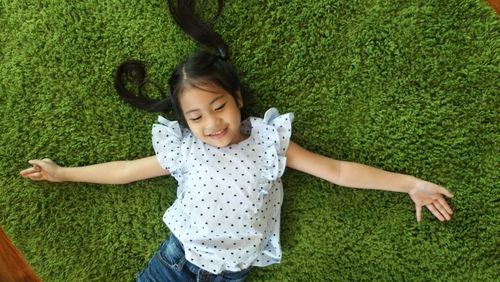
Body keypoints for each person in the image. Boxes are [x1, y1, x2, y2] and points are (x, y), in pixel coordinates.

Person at [20, 0, 454, 281]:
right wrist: (63, 174)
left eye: (219, 107)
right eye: (195, 116)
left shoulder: (268, 142)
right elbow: (126, 171)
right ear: (185, 122)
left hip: (233, 273)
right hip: (175, 262)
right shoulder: (186, 149)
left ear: (238, 99)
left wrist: (409, 184)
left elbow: (338, 171)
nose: (211, 123)